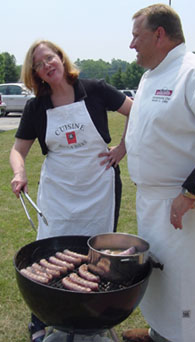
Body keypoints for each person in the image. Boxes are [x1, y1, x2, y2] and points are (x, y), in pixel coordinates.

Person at [10, 39, 132, 342]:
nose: (46, 66)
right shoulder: (36, 106)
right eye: (38, 64)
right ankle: (41, 319)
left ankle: (93, 318)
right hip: (59, 191)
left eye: (49, 58)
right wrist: (19, 172)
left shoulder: (95, 88)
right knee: (50, 251)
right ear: (35, 73)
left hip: (98, 186)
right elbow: (17, 150)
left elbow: (136, 111)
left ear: (61, 58)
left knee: (96, 251)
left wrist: (123, 147)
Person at [123, 4, 195, 342]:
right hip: (152, 204)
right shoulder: (150, 77)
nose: (131, 44)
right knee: (161, 277)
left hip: (188, 209)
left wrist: (190, 193)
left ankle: (191, 336)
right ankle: (159, 331)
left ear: (159, 35)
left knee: (188, 283)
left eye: (137, 36)